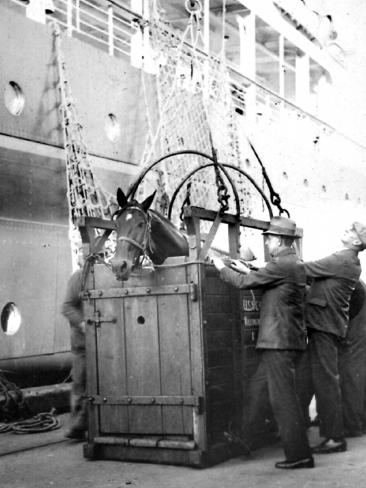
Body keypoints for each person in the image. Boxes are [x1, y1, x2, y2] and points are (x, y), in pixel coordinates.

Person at [211, 216, 313, 470]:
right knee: (257, 391)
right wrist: (250, 269)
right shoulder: (293, 263)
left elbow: (244, 283)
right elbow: (266, 278)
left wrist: (220, 267)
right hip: (284, 341)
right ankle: (244, 438)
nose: (267, 243)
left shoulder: (281, 265)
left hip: (279, 343)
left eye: (268, 239)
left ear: (278, 240)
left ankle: (299, 455)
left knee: (283, 401)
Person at [304, 221, 366, 454]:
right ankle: (332, 432)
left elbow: (303, 270)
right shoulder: (346, 262)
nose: (346, 231)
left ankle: (335, 437)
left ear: (357, 241)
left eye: (351, 231)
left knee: (326, 382)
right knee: (324, 380)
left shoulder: (341, 260)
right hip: (329, 328)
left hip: (325, 328)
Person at [61, 264, 87, 440]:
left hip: (106, 341)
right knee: (81, 381)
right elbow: (67, 307)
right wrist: (83, 323)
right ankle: (78, 424)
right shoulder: (79, 277)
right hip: (83, 342)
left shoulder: (109, 275)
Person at [340, 280, 366, 437]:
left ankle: (354, 425)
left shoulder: (352, 285)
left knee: (351, 378)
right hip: (361, 333)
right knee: (358, 378)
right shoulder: (358, 282)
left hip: (355, 335)